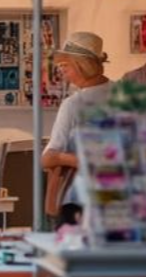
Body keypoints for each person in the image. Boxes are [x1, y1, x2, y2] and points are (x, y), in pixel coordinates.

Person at [40, 32, 114, 225]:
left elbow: (47, 159)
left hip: (79, 202)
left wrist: (73, 159)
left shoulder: (74, 104)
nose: (61, 71)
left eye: (65, 66)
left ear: (82, 66)